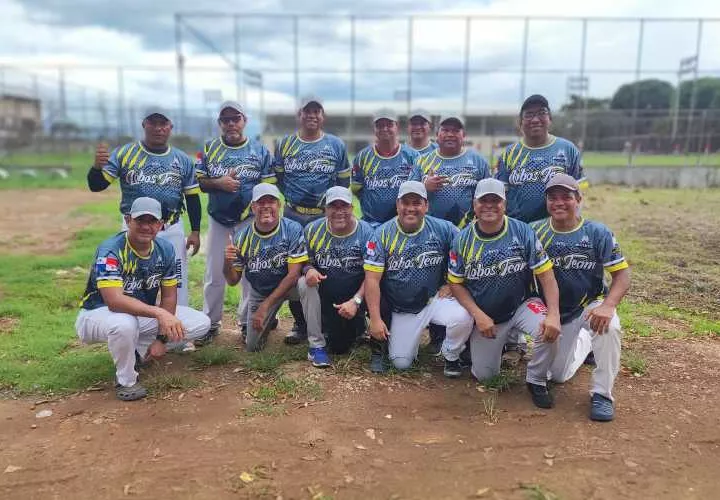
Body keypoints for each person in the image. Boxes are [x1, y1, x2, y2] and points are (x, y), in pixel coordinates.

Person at [74, 197, 211, 401]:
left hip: (137, 312)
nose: (146, 226)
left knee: (201, 323)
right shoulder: (111, 249)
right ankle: (126, 381)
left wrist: (161, 339)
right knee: (124, 324)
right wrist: (159, 313)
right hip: (98, 314)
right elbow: (115, 301)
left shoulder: (165, 249)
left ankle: (137, 352)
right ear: (128, 220)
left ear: (161, 224)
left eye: (152, 221)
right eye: (140, 221)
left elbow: (169, 296)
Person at [445, 178, 562, 409]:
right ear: (474, 204)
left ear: (504, 204)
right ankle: (501, 346)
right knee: (485, 376)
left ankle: (536, 379)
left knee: (548, 330)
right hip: (488, 315)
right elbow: (456, 284)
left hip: (521, 304)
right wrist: (478, 315)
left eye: (495, 200)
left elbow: (546, 274)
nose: (489, 205)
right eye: (483, 200)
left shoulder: (522, 231)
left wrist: (554, 314)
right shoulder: (463, 239)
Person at [531, 174, 631, 421]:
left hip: (591, 303)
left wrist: (608, 306)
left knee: (609, 327)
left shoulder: (597, 232)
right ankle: (585, 343)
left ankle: (602, 395)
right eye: (552, 198)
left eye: (566, 196)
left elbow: (622, 275)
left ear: (579, 199)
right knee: (558, 376)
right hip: (555, 311)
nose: (559, 203)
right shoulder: (535, 231)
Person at [88, 109, 202, 307]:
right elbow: (97, 185)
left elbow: (192, 197)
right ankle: (134, 326)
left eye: (163, 123)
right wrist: (97, 167)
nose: (158, 128)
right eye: (153, 123)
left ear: (170, 127)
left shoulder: (182, 159)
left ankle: (177, 332)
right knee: (133, 278)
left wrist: (196, 230)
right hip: (134, 227)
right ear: (144, 125)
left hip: (171, 227)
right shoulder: (125, 153)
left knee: (177, 281)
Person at [363, 181, 473, 373]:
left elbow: (469, 250)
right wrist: (374, 318)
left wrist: (452, 283)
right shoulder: (382, 234)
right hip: (401, 306)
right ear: (397, 205)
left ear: (426, 206)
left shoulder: (444, 229)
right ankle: (391, 345)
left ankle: (451, 354)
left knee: (463, 316)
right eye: (405, 203)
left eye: (417, 203)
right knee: (401, 363)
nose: (410, 208)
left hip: (433, 300)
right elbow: (371, 279)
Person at [222, 183, 330, 367]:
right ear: (253, 207)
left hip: (289, 286)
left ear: (279, 205)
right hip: (261, 291)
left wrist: (264, 308)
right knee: (253, 346)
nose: (266, 206)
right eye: (260, 202)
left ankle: (316, 346)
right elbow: (232, 280)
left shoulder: (292, 228)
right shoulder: (242, 236)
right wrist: (227, 261)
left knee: (307, 284)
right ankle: (268, 322)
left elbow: (293, 275)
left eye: (271, 201)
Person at [196, 101, 276, 343]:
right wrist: (218, 183)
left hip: (248, 220)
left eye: (236, 118)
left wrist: (260, 210)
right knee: (214, 272)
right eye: (226, 119)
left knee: (249, 273)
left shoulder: (260, 151)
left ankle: (246, 321)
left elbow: (269, 185)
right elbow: (198, 182)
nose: (231, 123)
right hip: (219, 219)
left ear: (245, 121)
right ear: (220, 123)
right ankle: (210, 323)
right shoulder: (209, 149)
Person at [274, 96, 351, 345]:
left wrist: (334, 212)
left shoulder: (336, 145)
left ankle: (326, 321)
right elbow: (280, 180)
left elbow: (343, 183)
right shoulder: (285, 144)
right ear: (300, 115)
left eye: (316, 111)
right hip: (294, 213)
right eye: (307, 111)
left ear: (322, 116)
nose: (312, 115)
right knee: (295, 268)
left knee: (325, 267)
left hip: (323, 215)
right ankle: (300, 323)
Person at [304, 186, 375, 354]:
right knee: (338, 347)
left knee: (344, 342)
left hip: (357, 293)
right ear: (325, 209)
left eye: (344, 206)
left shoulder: (366, 232)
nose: (339, 211)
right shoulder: (312, 230)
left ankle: (366, 326)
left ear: (352, 208)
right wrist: (308, 269)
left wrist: (356, 301)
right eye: (333, 206)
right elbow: (303, 261)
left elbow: (373, 274)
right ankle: (304, 326)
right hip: (328, 292)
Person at [496, 94, 584, 224]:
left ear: (550, 119)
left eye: (542, 113)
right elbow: (500, 195)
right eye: (529, 114)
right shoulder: (509, 154)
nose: (535, 119)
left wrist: (573, 225)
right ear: (520, 122)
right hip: (519, 229)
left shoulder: (568, 150)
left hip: (557, 228)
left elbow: (579, 192)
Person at [410, 115, 491, 226]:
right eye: (445, 130)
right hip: (431, 230)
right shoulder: (421, 161)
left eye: (456, 131)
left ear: (464, 135)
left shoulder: (478, 161)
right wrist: (424, 186)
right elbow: (407, 195)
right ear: (437, 135)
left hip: (469, 229)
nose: (450, 134)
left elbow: (490, 197)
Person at [352, 109, 420, 227]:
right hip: (371, 225)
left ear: (397, 126)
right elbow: (356, 188)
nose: (384, 129)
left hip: (402, 226)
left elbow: (419, 192)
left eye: (389, 124)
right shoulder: (362, 157)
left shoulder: (412, 156)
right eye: (380, 125)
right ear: (374, 128)